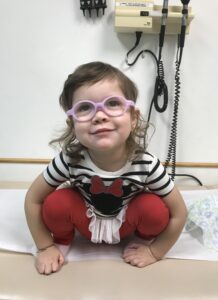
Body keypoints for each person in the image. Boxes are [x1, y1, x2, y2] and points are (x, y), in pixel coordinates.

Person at [25, 61, 187, 275]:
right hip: (84, 222)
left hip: (127, 226)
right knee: (56, 203)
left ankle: (142, 239)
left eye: (112, 103)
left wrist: (155, 252)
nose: (99, 115)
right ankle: (63, 240)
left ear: (133, 118)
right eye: (84, 108)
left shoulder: (147, 164)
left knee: (154, 209)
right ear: (73, 125)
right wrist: (44, 246)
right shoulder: (69, 160)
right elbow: (32, 199)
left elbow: (180, 212)